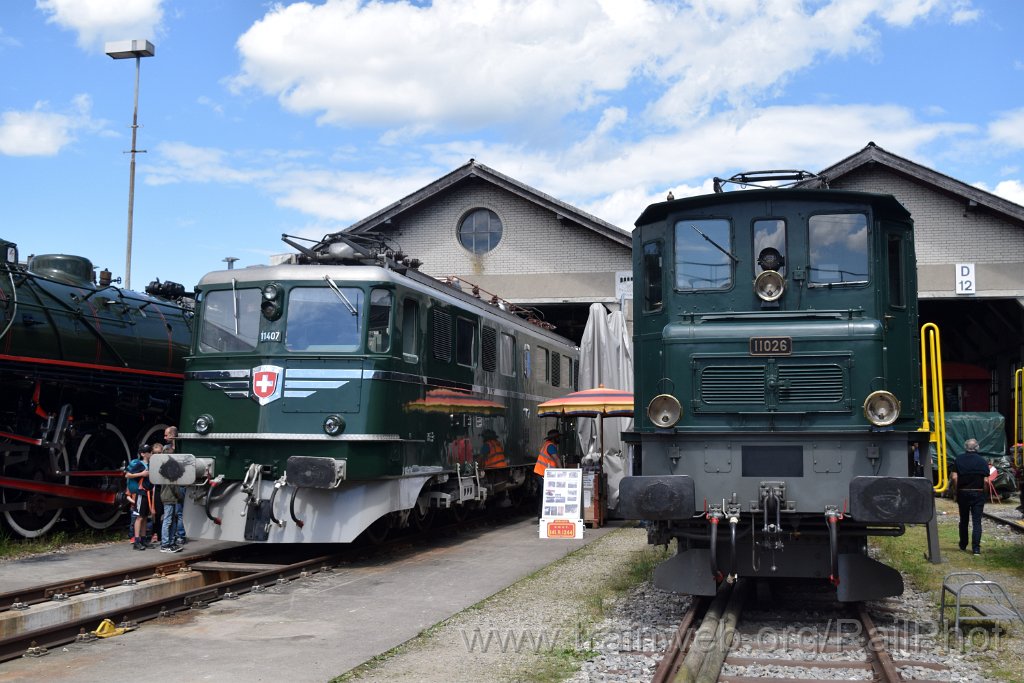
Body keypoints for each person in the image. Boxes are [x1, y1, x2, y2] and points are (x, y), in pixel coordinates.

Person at [952, 438, 991, 555]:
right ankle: (976, 549)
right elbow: (986, 481)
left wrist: (956, 492)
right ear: (977, 448)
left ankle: (963, 545)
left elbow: (954, 477)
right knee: (977, 522)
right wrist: (985, 494)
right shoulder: (982, 461)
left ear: (965, 447)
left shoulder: (959, 459)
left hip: (963, 492)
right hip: (978, 493)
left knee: (963, 520)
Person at [125, 444, 154, 551]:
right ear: (143, 454)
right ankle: (136, 541)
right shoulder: (139, 464)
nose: (151, 453)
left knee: (145, 517)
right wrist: (141, 474)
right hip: (141, 493)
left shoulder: (151, 464)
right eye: (149, 452)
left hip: (148, 493)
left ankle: (143, 539)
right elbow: (127, 475)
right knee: (139, 517)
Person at [164, 425, 187, 545]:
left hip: (181, 483)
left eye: (166, 435)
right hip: (172, 484)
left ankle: (180, 535)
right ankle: (173, 536)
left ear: (173, 435)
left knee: (179, 512)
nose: (164, 437)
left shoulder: (182, 447)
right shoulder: (166, 449)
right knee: (173, 513)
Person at [533, 429, 561, 518]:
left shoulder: (547, 444)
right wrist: (562, 471)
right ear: (554, 438)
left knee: (544, 495)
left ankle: (542, 515)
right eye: (557, 437)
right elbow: (556, 459)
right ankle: (541, 516)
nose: (559, 438)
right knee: (545, 495)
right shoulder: (550, 446)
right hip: (542, 473)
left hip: (542, 473)